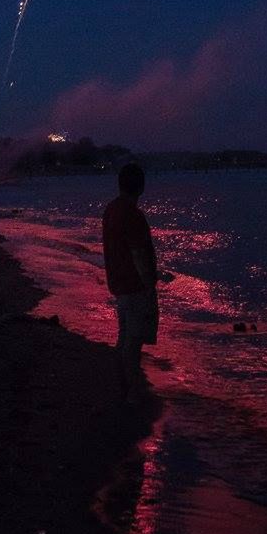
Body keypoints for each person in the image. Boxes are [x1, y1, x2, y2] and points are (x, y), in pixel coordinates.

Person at [102, 162, 160, 403]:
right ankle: (131, 392)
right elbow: (137, 253)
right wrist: (149, 286)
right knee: (132, 342)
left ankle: (123, 387)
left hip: (118, 283)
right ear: (141, 187)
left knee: (125, 337)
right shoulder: (132, 214)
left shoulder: (111, 209)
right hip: (133, 286)